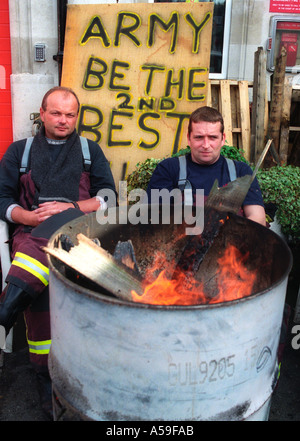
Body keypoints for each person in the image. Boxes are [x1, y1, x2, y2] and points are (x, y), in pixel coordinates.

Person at [0, 86, 117, 418]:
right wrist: (27, 215)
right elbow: (2, 199)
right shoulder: (19, 152)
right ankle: (47, 376)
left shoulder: (88, 151)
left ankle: (9, 304)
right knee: (45, 245)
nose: (63, 120)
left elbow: (108, 196)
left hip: (81, 231)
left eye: (70, 114)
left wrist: (72, 207)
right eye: (56, 113)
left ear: (77, 116)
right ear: (42, 112)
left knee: (56, 237)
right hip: (30, 231)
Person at [146, 106, 266, 226]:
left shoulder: (241, 171)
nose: (206, 145)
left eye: (213, 137)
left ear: (222, 139)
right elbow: (154, 216)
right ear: (189, 138)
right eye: (199, 137)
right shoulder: (168, 169)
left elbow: (257, 217)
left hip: (229, 241)